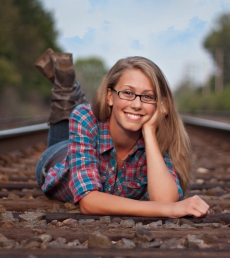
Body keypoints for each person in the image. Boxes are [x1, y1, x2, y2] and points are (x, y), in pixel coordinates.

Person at [34, 49, 209, 218]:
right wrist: (168, 210)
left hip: (95, 133)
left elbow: (165, 200)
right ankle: (66, 88)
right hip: (58, 156)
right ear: (110, 96)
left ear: (160, 105)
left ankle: (76, 92)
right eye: (127, 93)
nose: (137, 104)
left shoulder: (158, 134)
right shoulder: (85, 118)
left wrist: (149, 131)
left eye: (147, 97)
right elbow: (89, 203)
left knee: (98, 114)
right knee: (77, 110)